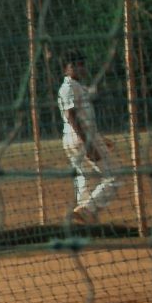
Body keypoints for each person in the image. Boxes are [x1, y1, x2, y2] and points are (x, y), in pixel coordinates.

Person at [58, 56, 121, 226]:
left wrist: (100, 138)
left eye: (81, 64)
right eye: (74, 65)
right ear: (66, 69)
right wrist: (88, 143)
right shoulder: (69, 87)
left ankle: (84, 217)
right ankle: (89, 209)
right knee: (113, 176)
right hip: (81, 139)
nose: (79, 68)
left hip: (76, 138)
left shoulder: (78, 87)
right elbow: (71, 116)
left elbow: (85, 118)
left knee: (83, 177)